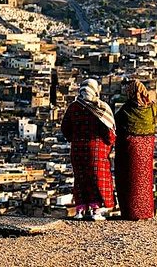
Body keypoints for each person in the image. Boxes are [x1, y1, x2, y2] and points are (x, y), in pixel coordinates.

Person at [61, 78, 116, 220]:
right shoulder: (100, 107)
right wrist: (109, 144)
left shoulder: (73, 107)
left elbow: (65, 128)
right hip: (96, 150)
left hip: (77, 150)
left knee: (80, 178)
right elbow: (109, 132)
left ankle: (80, 210)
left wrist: (74, 139)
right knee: (97, 179)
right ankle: (95, 211)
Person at [114, 79, 157, 221]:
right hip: (147, 147)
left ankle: (131, 212)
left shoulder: (127, 110)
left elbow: (116, 125)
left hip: (131, 148)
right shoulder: (151, 108)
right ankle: (145, 211)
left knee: (129, 178)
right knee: (144, 179)